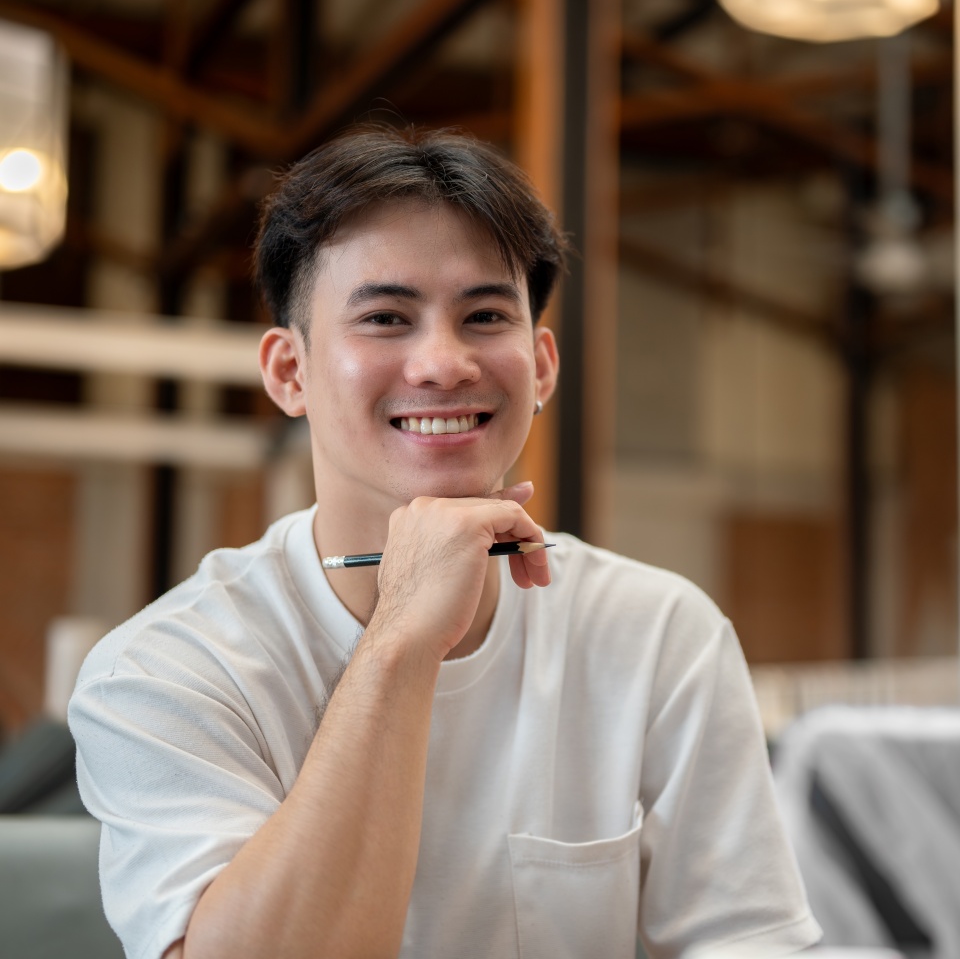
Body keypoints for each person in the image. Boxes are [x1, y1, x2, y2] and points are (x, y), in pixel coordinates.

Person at [69, 123, 822, 959]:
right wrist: (401, 638)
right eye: (387, 317)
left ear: (540, 366)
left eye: (485, 315)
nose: (443, 362)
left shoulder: (658, 634)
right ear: (290, 373)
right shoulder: (161, 672)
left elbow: (748, 944)